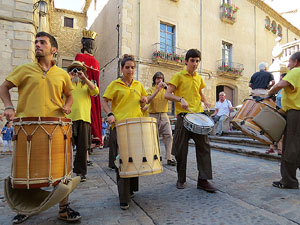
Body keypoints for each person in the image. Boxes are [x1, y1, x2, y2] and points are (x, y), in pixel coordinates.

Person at [0, 32, 81, 223]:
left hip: (56, 126)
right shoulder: (24, 69)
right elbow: (3, 88)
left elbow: (69, 95)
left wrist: (68, 106)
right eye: (36, 42)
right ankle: (25, 207)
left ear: (53, 49)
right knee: (28, 169)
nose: (37, 45)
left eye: (42, 42)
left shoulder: (62, 74)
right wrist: (9, 106)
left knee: (61, 170)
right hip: (27, 127)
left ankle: (64, 208)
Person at [165, 49, 216, 193]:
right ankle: (181, 179)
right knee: (181, 150)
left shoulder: (199, 78)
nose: (195, 64)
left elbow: (199, 93)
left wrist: (205, 101)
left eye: (197, 61)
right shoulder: (178, 76)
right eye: (192, 60)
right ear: (186, 61)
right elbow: (167, 94)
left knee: (204, 148)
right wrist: (180, 99)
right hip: (183, 117)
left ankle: (203, 180)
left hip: (198, 115)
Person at [102, 54, 148, 210]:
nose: (130, 70)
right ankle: (123, 197)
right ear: (122, 69)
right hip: (120, 126)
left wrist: (144, 102)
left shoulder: (139, 85)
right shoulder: (115, 84)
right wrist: (110, 114)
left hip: (137, 126)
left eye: (132, 67)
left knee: (135, 159)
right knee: (121, 161)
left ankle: (131, 190)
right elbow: (104, 100)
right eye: (127, 67)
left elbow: (144, 103)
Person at [268, 52, 300, 189]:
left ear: (296, 61)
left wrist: (269, 93)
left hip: (296, 113)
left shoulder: (296, 71)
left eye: (290, 62)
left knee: (290, 147)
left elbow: (280, 84)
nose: (288, 65)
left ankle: (288, 181)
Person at [66, 61, 99, 182]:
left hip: (84, 119)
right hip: (68, 119)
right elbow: (57, 92)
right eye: (73, 69)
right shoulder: (66, 83)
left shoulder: (87, 84)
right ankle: (66, 172)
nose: (76, 71)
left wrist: (84, 78)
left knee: (82, 147)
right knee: (66, 147)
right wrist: (68, 78)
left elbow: (95, 92)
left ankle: (81, 173)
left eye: (79, 69)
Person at [75, 29, 102, 148]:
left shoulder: (79, 56)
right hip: (93, 91)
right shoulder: (95, 62)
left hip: (81, 90)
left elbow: (74, 75)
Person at [147, 72, 176, 166]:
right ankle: (157, 156)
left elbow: (173, 97)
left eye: (161, 78)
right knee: (154, 137)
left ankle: (169, 157)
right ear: (154, 80)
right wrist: (157, 90)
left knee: (169, 136)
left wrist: (167, 88)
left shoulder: (166, 90)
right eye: (158, 78)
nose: (160, 80)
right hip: (153, 115)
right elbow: (148, 100)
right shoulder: (150, 90)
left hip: (164, 115)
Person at [265, 73, 286, 155]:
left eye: (281, 79)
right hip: (278, 112)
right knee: (272, 130)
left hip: (284, 112)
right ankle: (272, 148)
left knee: (280, 132)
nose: (280, 80)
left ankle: (280, 149)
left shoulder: (287, 89)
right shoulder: (280, 89)